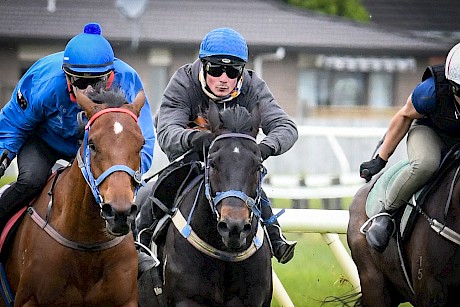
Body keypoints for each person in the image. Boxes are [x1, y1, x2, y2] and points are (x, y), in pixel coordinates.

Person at [137, 27, 298, 266]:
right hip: (191, 158)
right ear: (203, 65)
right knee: (152, 191)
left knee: (245, 182)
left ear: (241, 71)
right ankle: (142, 239)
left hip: (234, 163)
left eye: (232, 71)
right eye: (216, 69)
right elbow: (167, 131)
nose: (224, 79)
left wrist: (264, 148)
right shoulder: (183, 82)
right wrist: (194, 139)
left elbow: (286, 126)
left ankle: (275, 236)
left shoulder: (253, 86)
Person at [0, 23, 155, 230]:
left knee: (118, 197)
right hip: (45, 143)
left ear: (110, 76)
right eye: (81, 82)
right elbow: (14, 122)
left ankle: (138, 248)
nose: (90, 91)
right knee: (31, 180)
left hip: (99, 150)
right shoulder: (45, 81)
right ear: (67, 76)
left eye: (97, 82)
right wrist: (3, 155)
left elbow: (141, 137)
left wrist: (130, 174)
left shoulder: (127, 81)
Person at [359, 42, 460, 253]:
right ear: (452, 87)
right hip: (430, 131)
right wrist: (380, 159)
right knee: (426, 163)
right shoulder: (430, 91)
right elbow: (404, 115)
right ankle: (384, 215)